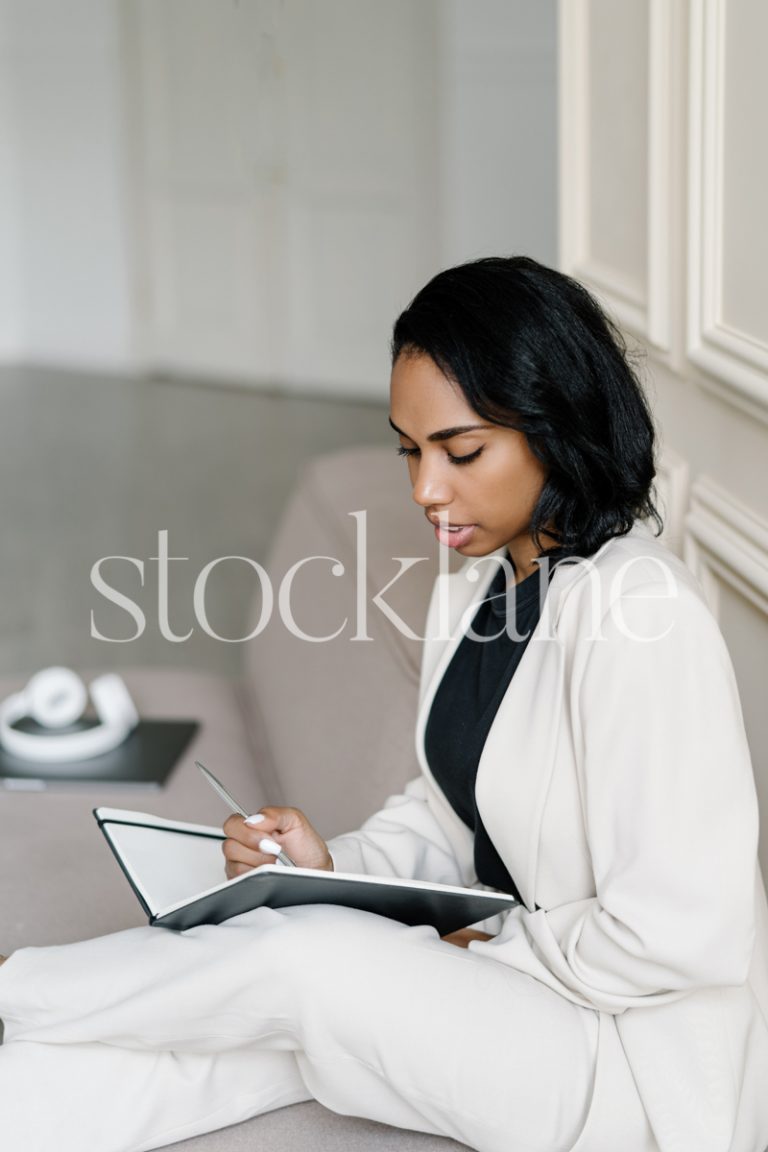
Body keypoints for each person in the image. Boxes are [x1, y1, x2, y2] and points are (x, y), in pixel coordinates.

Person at [1, 256, 767, 1152]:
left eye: (462, 450)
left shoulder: (645, 617)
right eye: (411, 450)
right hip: (511, 1003)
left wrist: (469, 946)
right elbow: (450, 820)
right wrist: (327, 870)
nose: (425, 490)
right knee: (224, 1033)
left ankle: (17, 985)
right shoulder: (476, 589)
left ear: (556, 429)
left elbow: (679, 938)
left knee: (296, 964)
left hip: (625, 1065)